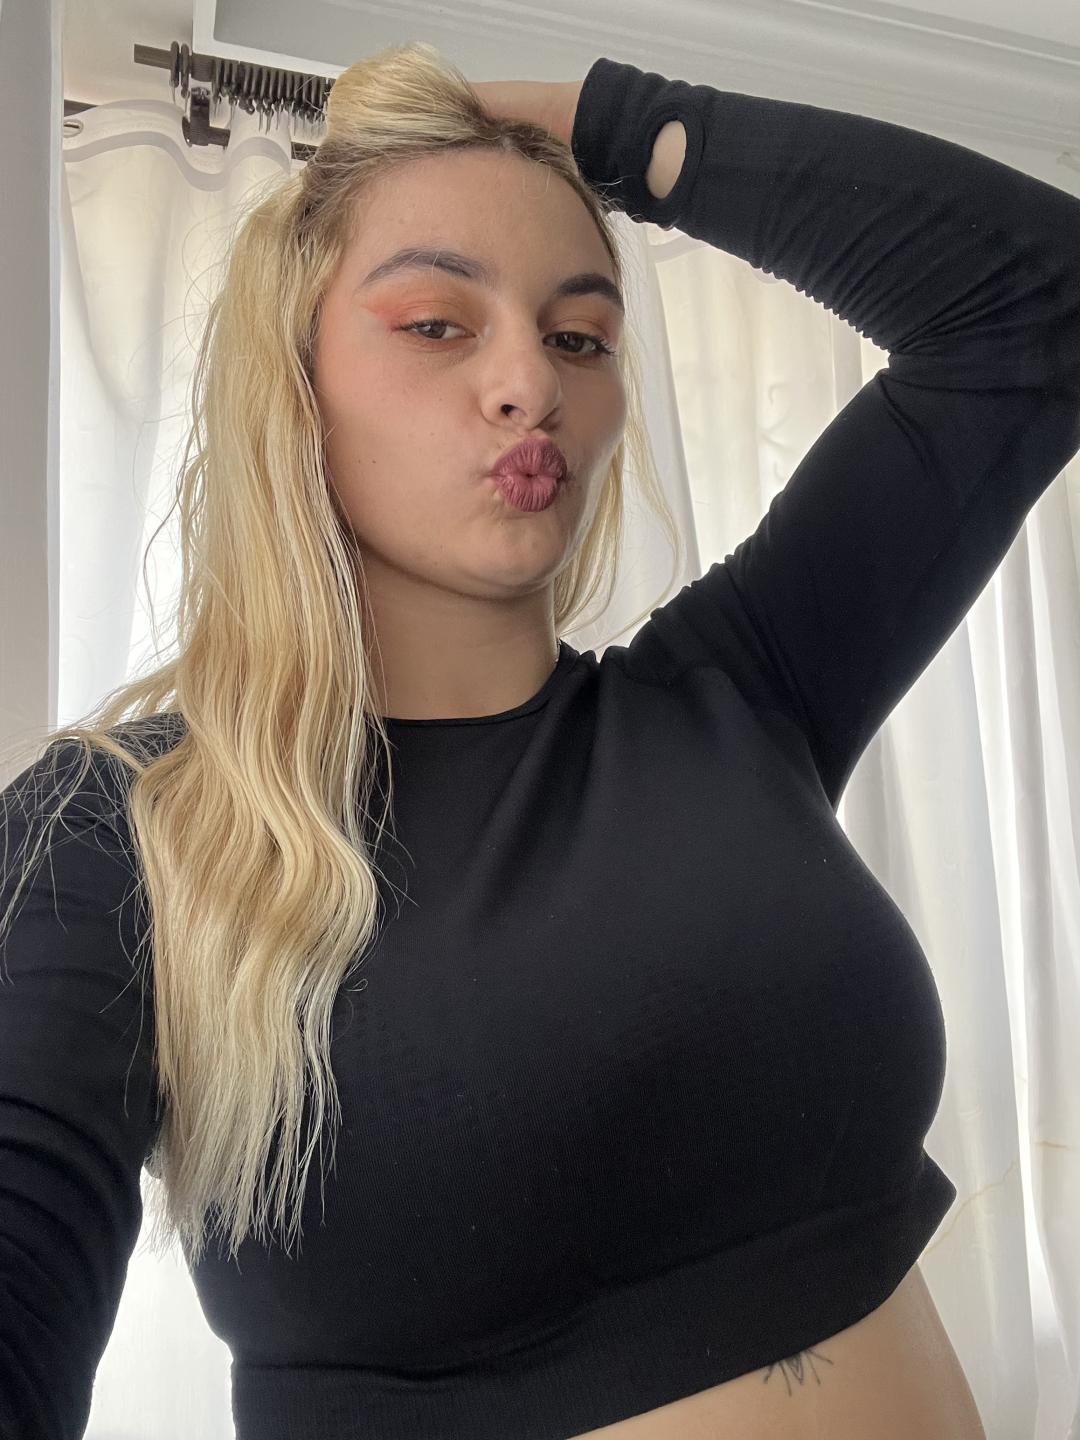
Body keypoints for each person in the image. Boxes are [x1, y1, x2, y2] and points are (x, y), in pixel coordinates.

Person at [3, 35, 1078, 1440]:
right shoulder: (119, 832)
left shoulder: (738, 693)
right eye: (436, 323)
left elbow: (1038, 307)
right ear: (290, 378)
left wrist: (620, 129)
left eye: (578, 335)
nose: (530, 382)